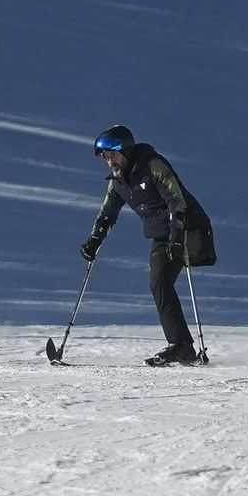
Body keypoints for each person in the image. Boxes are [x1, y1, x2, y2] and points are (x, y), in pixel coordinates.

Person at [80, 125, 214, 366]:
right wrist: (93, 241)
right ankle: (182, 346)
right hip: (163, 235)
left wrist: (176, 237)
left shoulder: (152, 166)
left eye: (111, 154)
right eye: (105, 157)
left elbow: (177, 202)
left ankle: (182, 346)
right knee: (158, 283)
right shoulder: (118, 181)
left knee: (161, 280)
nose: (109, 161)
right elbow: (107, 214)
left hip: (188, 227)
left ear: (126, 150)